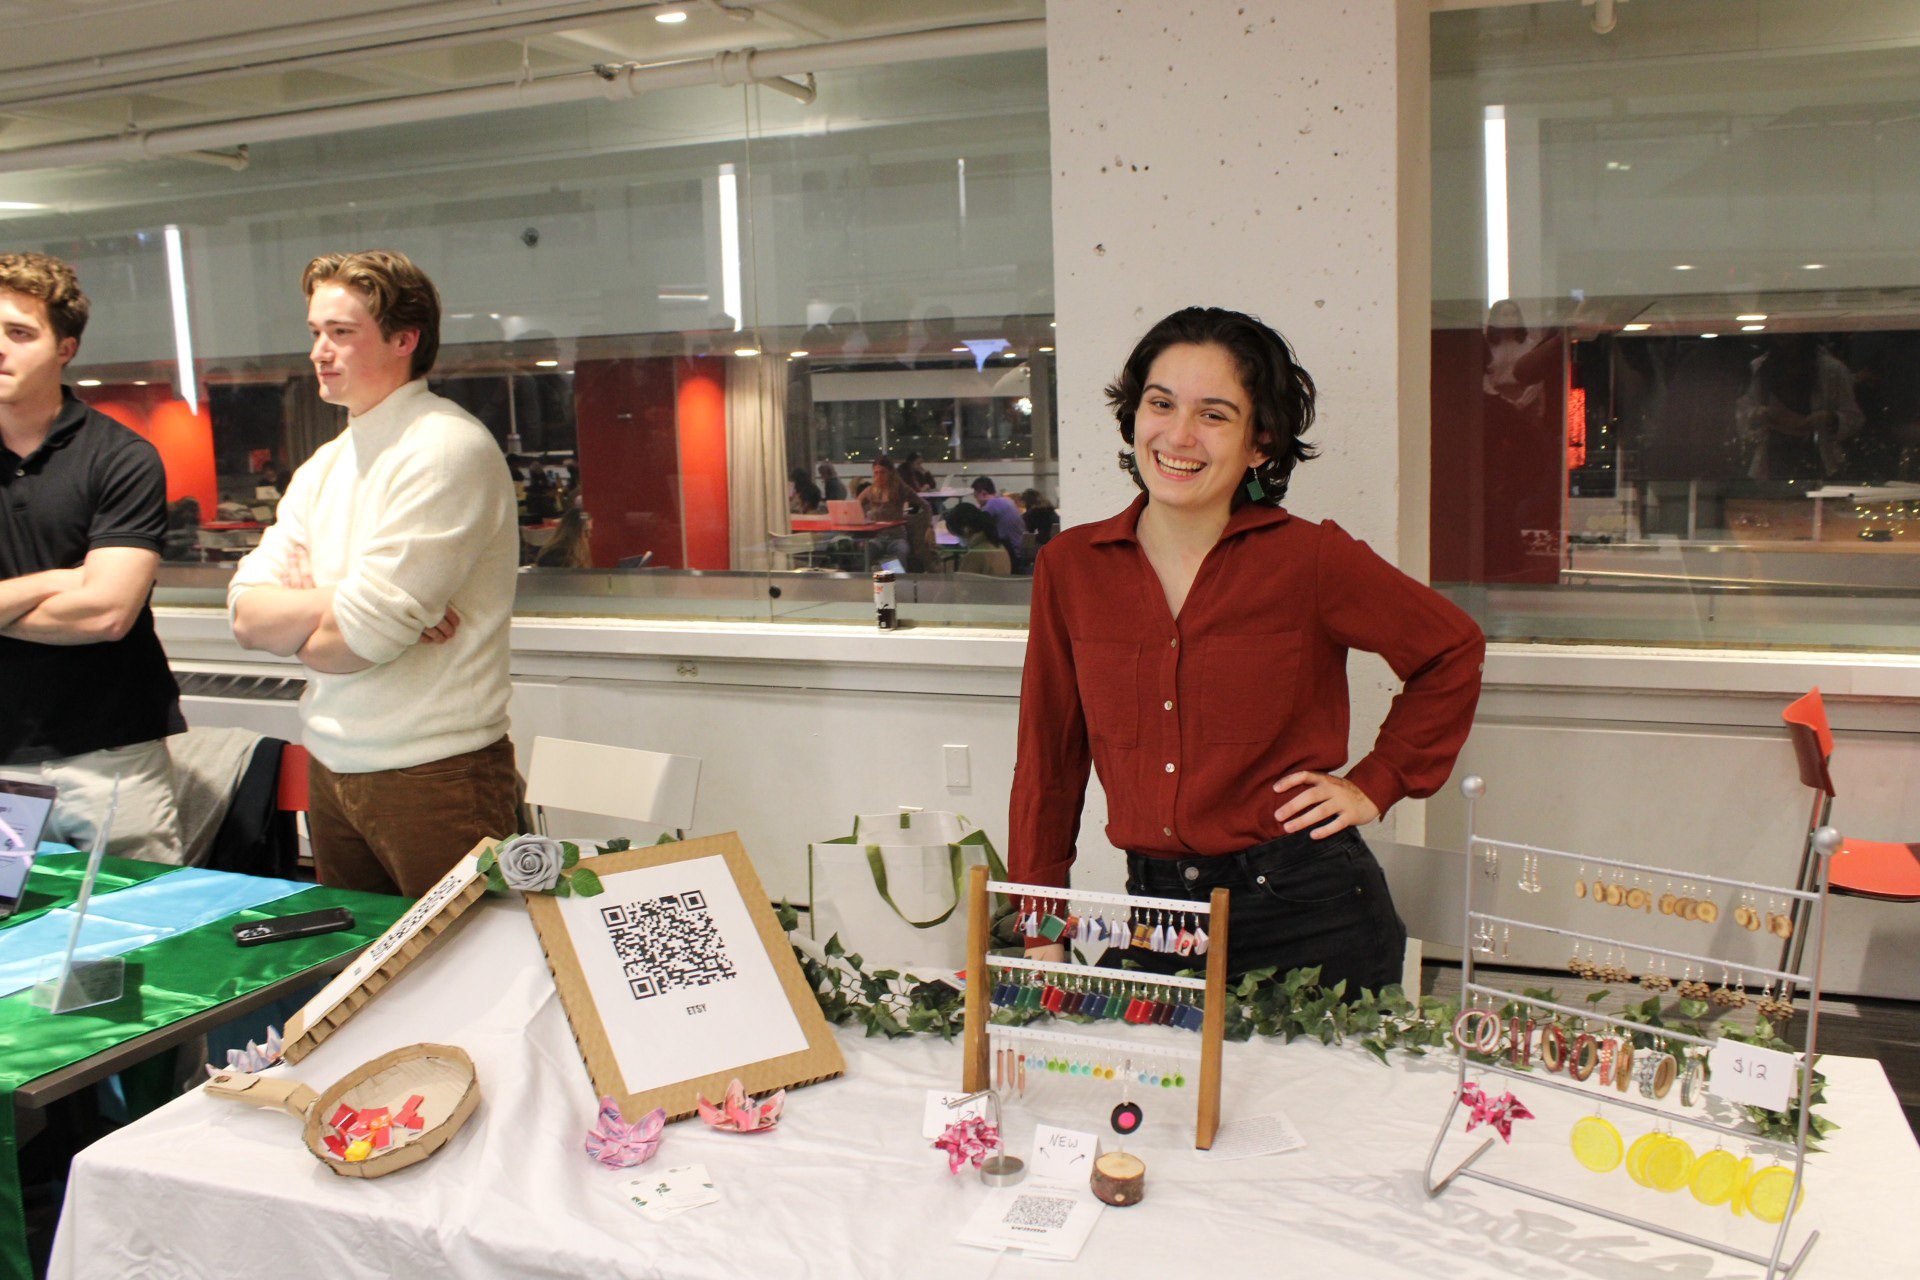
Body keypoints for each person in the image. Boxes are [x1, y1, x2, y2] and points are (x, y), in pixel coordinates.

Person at [1009, 306, 1484, 994]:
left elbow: (1451, 649)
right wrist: (1041, 931)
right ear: (1133, 418)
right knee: (1155, 1099)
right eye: (1160, 404)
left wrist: (1375, 783)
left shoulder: (1310, 559)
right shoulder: (1071, 567)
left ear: (1261, 442)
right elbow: (1048, 765)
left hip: (1309, 915)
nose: (1178, 435)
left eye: (1214, 415)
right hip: (1155, 919)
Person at [228, 250, 521, 897]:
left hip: (436, 772)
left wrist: (324, 614)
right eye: (315, 333)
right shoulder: (325, 464)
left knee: (468, 982)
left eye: (342, 332)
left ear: (403, 339)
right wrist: (345, 600)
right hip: (332, 766)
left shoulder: (444, 448)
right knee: (364, 983)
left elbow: (358, 644)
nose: (320, 353)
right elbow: (247, 617)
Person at [0, 253, 187, 862]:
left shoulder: (121, 458)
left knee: (144, 942)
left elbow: (106, 613)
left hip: (112, 761)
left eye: (20, 333)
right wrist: (57, 580)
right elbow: (84, 599)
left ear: (66, 348)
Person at [970, 476, 1029, 570]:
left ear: (983, 493)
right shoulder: (1007, 501)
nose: (976, 500)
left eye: (976, 496)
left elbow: (976, 525)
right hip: (1020, 551)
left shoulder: (992, 504)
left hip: (1010, 554)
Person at [943, 502, 1012, 575]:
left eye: (957, 535)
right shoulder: (1000, 546)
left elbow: (961, 584)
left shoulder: (975, 554)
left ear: (966, 529)